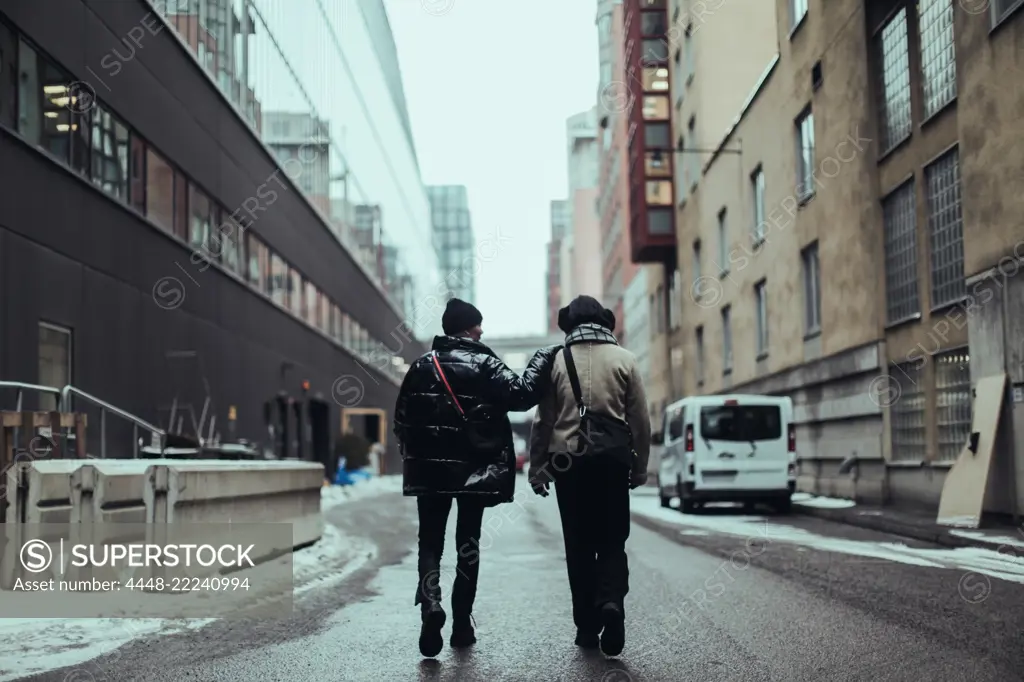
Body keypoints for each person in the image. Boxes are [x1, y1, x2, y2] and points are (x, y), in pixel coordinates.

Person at [394, 297, 560, 658]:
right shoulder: (485, 363)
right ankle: (461, 625)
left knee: (430, 542)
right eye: (477, 325)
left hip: (430, 470)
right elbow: (522, 395)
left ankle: (430, 605)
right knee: (466, 544)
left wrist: (418, 454)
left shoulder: (421, 366)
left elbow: (401, 421)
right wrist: (542, 357)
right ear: (467, 328)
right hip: (474, 470)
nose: (481, 330)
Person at [528, 295, 651, 657]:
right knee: (612, 539)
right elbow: (640, 422)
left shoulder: (556, 362)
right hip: (612, 461)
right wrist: (640, 466)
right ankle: (611, 601)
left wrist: (538, 468)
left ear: (570, 325)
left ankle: (586, 627)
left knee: (578, 545)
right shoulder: (625, 359)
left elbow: (543, 420)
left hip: (569, 463)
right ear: (605, 322)